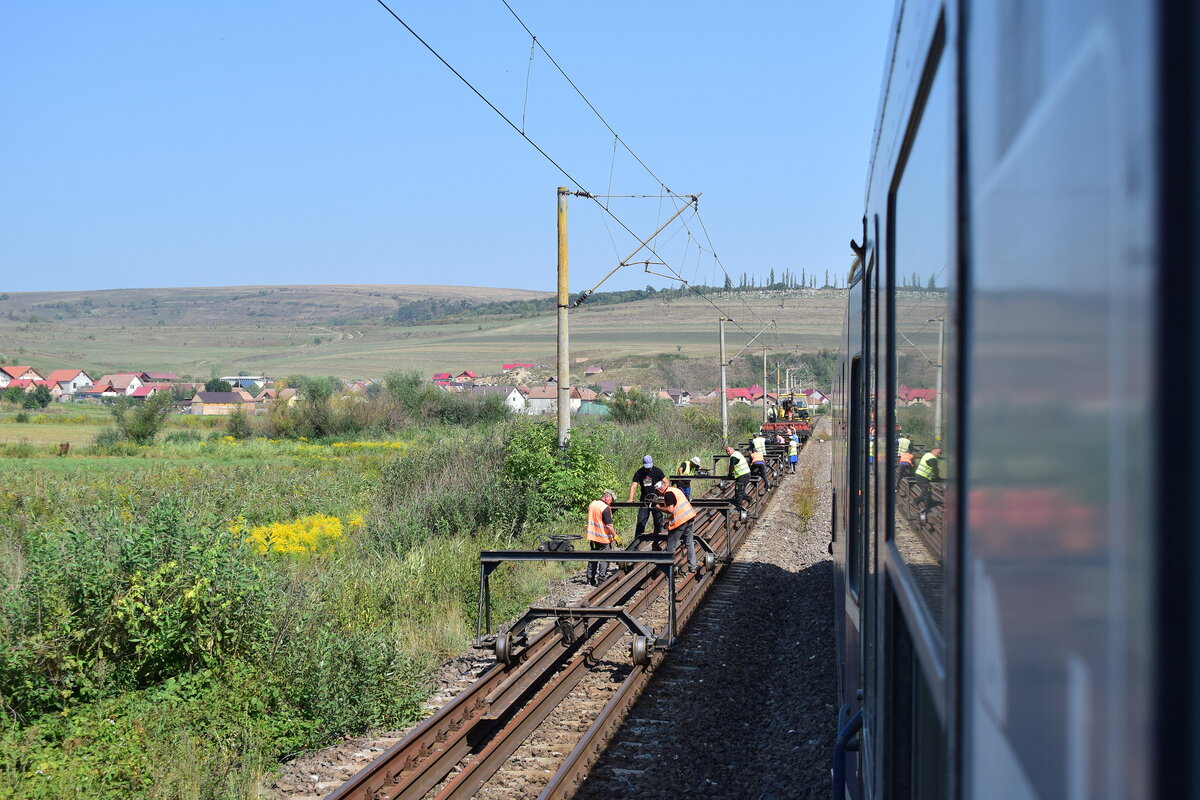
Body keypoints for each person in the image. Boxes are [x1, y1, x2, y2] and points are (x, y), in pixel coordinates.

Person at [654, 477, 698, 573]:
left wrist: (658, 508)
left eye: (657, 492)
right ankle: (693, 566)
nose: (658, 494)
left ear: (659, 489)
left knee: (671, 546)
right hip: (689, 517)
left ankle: (669, 568)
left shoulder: (668, 494)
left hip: (680, 520)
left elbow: (671, 510)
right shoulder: (675, 489)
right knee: (689, 543)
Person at [629, 454, 666, 540]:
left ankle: (656, 542)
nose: (648, 469)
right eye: (646, 467)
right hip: (645, 501)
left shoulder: (657, 471)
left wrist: (663, 492)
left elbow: (666, 482)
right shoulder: (639, 473)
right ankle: (636, 544)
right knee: (641, 522)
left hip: (656, 501)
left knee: (658, 521)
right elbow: (633, 486)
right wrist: (631, 498)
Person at [585, 489, 617, 585]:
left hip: (592, 536)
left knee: (593, 556)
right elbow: (608, 525)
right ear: (607, 497)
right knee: (604, 557)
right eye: (611, 499)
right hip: (603, 538)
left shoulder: (593, 504)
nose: (611, 502)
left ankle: (590, 578)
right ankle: (601, 579)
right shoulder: (605, 508)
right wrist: (616, 536)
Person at [724, 445, 752, 520]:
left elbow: (731, 467)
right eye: (726, 451)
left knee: (738, 492)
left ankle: (739, 508)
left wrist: (729, 474)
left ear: (732, 450)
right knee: (741, 491)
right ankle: (750, 499)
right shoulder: (738, 453)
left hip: (742, 475)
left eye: (728, 451)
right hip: (746, 474)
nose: (728, 453)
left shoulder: (733, 457)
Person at [914, 447, 942, 520]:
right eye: (938, 453)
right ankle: (927, 509)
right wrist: (937, 476)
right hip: (922, 476)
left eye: (940, 453)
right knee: (927, 492)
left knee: (926, 492)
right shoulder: (932, 458)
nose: (939, 455)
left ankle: (915, 501)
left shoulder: (927, 454)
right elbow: (935, 469)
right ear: (934, 451)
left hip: (921, 476)